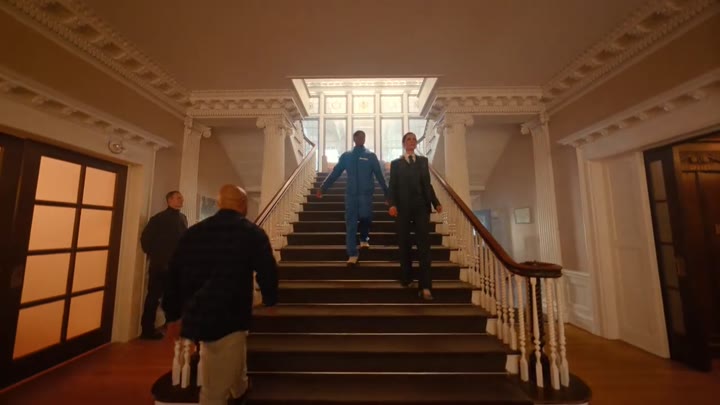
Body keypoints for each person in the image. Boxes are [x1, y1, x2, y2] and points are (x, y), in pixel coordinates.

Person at [163, 184, 278, 405]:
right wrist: (270, 300)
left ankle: (240, 387)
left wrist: (173, 315)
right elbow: (267, 270)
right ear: (243, 205)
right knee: (213, 388)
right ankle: (235, 390)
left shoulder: (194, 232)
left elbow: (173, 274)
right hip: (230, 312)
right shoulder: (252, 233)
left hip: (197, 310)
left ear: (219, 203)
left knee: (225, 355)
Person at [317, 130, 388, 265]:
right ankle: (352, 254)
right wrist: (323, 187)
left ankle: (364, 237)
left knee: (366, 217)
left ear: (365, 139)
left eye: (363, 137)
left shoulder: (371, 156)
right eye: (358, 137)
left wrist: (387, 193)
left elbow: (380, 175)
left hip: (366, 195)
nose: (361, 139)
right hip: (351, 196)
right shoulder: (347, 156)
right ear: (354, 139)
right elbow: (336, 172)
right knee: (350, 224)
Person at [387, 132, 442, 301]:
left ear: (416, 144)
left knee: (424, 246)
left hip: (420, 208)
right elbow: (392, 186)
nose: (412, 141)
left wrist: (435, 202)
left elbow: (427, 185)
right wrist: (392, 204)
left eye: (414, 139)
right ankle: (407, 277)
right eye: (408, 139)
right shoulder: (396, 164)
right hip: (402, 209)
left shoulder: (423, 162)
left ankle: (425, 286)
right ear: (404, 143)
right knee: (404, 243)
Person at [139, 190, 187, 339]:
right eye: (178, 198)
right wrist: (157, 255)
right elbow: (145, 240)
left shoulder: (183, 218)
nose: (181, 200)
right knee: (153, 297)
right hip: (160, 265)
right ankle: (147, 330)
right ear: (169, 200)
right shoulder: (158, 219)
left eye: (182, 198)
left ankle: (171, 325)